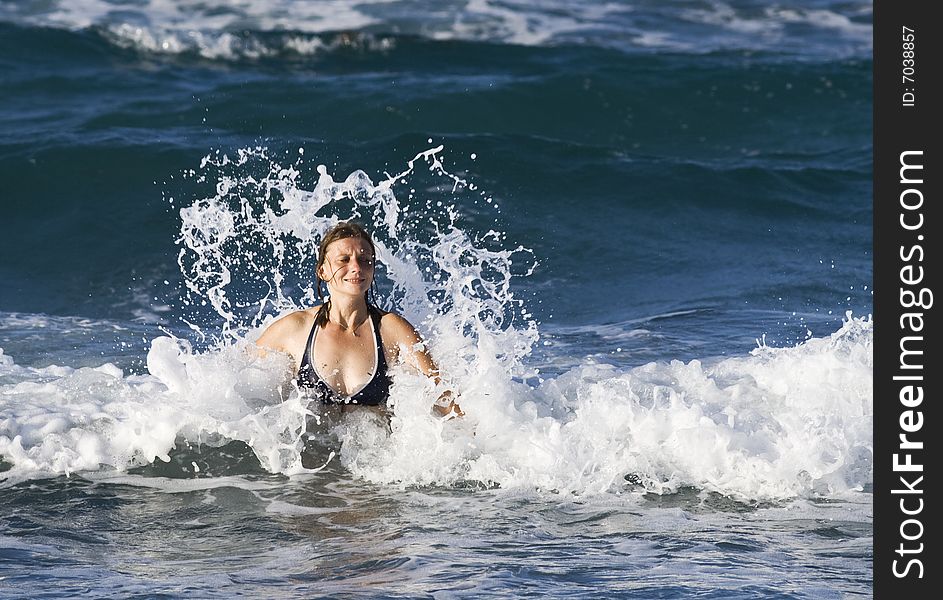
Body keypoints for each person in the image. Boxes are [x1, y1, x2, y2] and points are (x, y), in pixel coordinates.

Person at [255, 221, 463, 418]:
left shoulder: (391, 330)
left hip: (373, 453)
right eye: (344, 260)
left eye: (365, 260)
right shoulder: (294, 328)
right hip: (308, 453)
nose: (356, 267)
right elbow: (241, 388)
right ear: (323, 271)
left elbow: (444, 399)